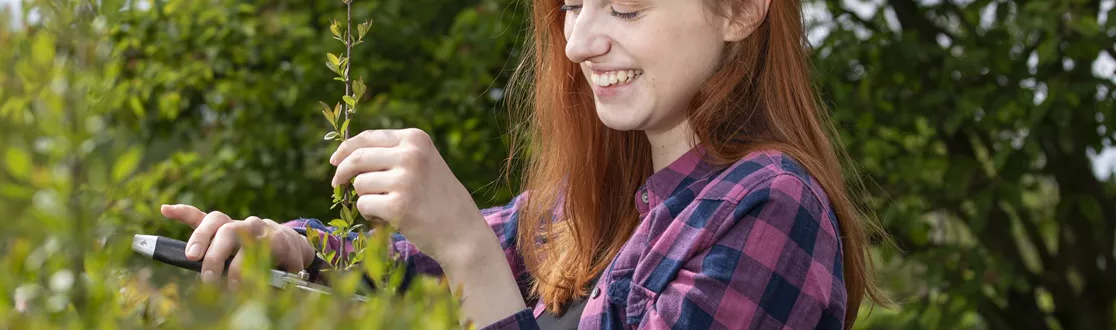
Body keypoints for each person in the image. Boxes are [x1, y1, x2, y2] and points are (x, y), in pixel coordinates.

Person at [158, 0, 889, 328]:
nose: (578, 42)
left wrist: (469, 251)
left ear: (739, 11)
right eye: (573, 4)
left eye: (626, 9)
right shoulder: (594, 206)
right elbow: (409, 268)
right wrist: (293, 250)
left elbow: (468, 262)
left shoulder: (769, 207)